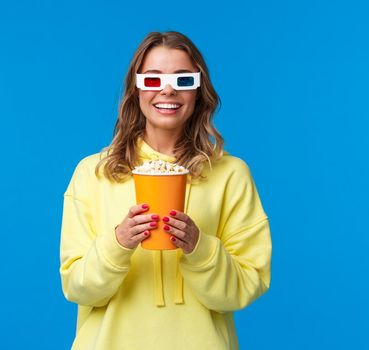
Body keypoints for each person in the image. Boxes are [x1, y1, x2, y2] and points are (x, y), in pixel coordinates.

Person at [59, 31, 272, 349]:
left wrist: (199, 248)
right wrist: (118, 243)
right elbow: (77, 288)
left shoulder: (230, 175)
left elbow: (245, 286)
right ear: (136, 88)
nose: (168, 90)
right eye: (153, 80)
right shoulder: (92, 173)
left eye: (183, 80)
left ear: (199, 90)